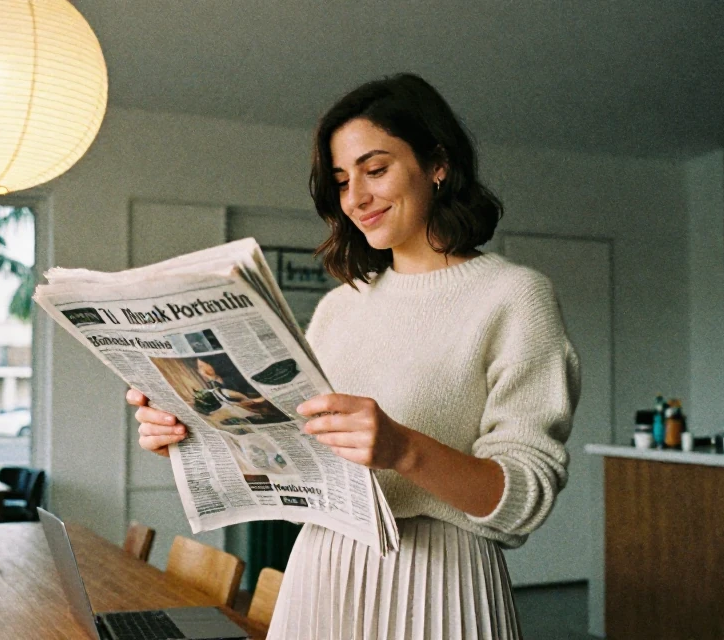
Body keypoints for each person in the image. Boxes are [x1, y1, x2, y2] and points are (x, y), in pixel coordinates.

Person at [129, 73, 580, 640]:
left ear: (437, 164)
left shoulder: (514, 296)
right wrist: (190, 433)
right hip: (320, 572)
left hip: (439, 585)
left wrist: (404, 448)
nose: (356, 198)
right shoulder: (340, 307)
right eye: (342, 180)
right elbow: (290, 468)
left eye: (376, 168)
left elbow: (526, 497)